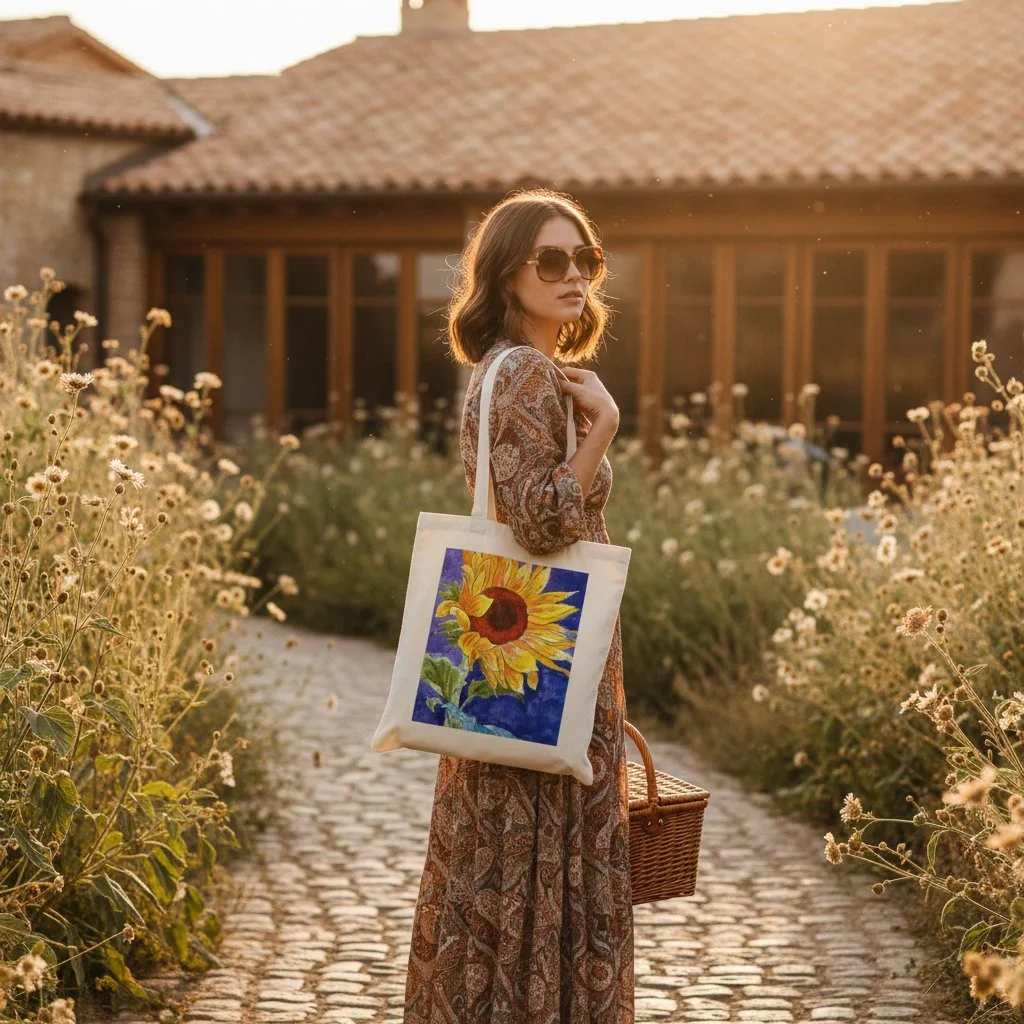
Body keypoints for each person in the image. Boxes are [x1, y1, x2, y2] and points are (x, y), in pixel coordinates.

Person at [403, 188, 634, 1023]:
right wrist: (603, 425)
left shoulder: (499, 370)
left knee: (501, 851)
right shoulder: (532, 376)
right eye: (550, 260)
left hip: (519, 655)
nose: (573, 274)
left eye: (586, 259)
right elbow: (539, 522)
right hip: (550, 653)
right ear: (507, 275)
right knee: (545, 839)